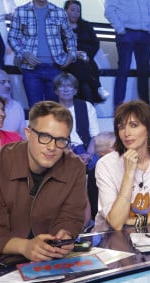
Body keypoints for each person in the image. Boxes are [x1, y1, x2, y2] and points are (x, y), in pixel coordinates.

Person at [0, 101, 87, 261]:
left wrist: (64, 236)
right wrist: (25, 247)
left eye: (61, 140)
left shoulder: (74, 166)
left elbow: (71, 216)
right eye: (45, 137)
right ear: (28, 133)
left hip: (46, 258)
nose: (52, 147)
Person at [95, 100, 150, 231]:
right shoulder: (105, 164)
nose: (126, 133)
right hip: (112, 238)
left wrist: (133, 221)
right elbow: (116, 223)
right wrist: (129, 173)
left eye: (134, 125)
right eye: (121, 127)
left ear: (149, 129)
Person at [8, 0, 77, 108]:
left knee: (54, 109)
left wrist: (71, 55)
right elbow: (12, 37)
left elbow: (70, 37)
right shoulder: (20, 11)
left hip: (55, 67)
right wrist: (24, 53)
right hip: (30, 69)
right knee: (35, 109)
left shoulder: (59, 12)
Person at [53, 72, 100, 217]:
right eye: (62, 86)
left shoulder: (86, 106)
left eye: (70, 86)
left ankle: (95, 213)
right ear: (56, 90)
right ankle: (69, 214)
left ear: (75, 90)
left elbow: (95, 136)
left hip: (86, 149)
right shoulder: (50, 110)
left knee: (99, 166)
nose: (66, 89)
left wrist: (88, 154)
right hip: (62, 150)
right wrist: (72, 155)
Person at [104, 0, 150, 108]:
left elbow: (149, 12)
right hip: (126, 32)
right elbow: (109, 11)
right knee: (123, 70)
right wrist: (120, 29)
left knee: (144, 72)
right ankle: (118, 106)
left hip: (144, 34)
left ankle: (145, 107)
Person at [63, 0, 107, 104]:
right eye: (72, 10)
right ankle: (97, 88)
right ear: (65, 11)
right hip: (68, 63)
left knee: (84, 67)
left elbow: (95, 44)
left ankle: (92, 93)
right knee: (80, 70)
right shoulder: (60, 28)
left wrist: (87, 55)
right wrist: (73, 54)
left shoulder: (86, 26)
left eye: (78, 11)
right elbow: (57, 47)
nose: (75, 13)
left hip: (86, 60)